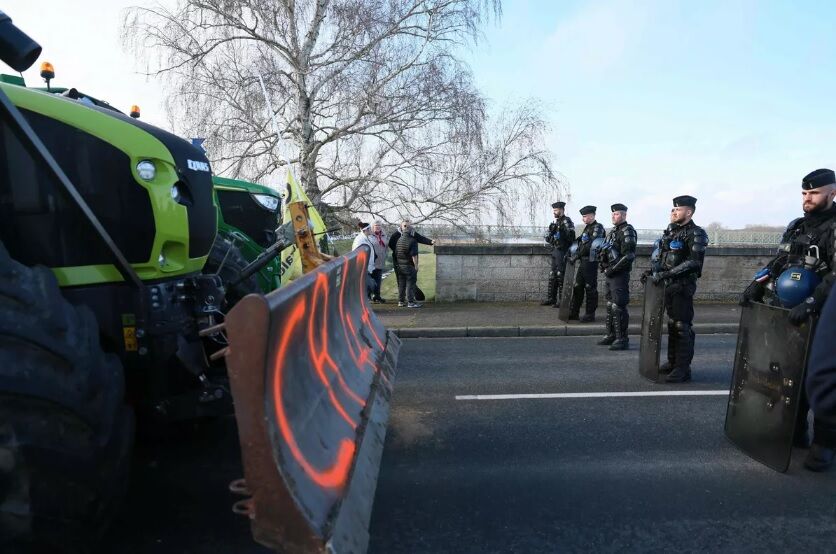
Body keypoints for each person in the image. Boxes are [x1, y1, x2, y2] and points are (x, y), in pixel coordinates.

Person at [739, 168, 836, 466]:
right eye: (804, 193)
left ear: (832, 193)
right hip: (787, 311)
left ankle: (825, 443)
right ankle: (795, 431)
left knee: (818, 375)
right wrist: (756, 284)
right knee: (789, 371)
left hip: (822, 312)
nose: (807, 198)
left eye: (814, 193)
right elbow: (780, 260)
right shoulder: (796, 226)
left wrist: (810, 302)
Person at [642, 195, 708, 383]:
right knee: (672, 324)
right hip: (668, 286)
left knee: (682, 326)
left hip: (683, 286)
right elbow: (664, 260)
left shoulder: (697, 233)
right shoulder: (671, 233)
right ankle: (672, 362)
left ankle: (683, 368)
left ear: (689, 212)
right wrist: (651, 272)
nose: (673, 212)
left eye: (677, 209)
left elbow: (694, 262)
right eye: (672, 209)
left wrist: (667, 275)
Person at [597, 203, 637, 350]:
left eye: (617, 214)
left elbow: (629, 256)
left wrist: (612, 269)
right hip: (610, 273)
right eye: (613, 214)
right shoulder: (613, 232)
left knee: (618, 306)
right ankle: (611, 335)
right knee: (609, 305)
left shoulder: (628, 231)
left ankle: (622, 339)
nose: (614, 216)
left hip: (619, 274)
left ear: (624, 215)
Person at [568, 205, 605, 322]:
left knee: (590, 288)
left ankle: (590, 314)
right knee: (577, 287)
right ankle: (574, 312)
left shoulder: (597, 228)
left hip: (591, 262)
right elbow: (579, 242)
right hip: (583, 262)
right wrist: (570, 252)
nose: (583, 219)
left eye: (584, 216)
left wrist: (576, 256)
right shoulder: (587, 228)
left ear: (592, 215)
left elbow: (590, 246)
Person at [389, 220, 434, 303]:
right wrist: (401, 253)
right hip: (399, 262)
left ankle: (403, 300)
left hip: (408, 262)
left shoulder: (413, 234)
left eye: (408, 226)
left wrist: (430, 242)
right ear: (401, 226)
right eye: (405, 226)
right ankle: (409, 301)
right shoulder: (396, 235)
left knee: (407, 281)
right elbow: (391, 245)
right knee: (405, 281)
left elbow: (421, 238)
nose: (407, 227)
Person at [542, 201, 575, 307]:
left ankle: (562, 301)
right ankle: (551, 298)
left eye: (556, 210)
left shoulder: (566, 221)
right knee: (553, 274)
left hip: (563, 251)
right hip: (555, 251)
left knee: (561, 275)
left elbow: (571, 238)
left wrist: (562, 234)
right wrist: (549, 236)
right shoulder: (556, 223)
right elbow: (553, 240)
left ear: (561, 210)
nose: (554, 212)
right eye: (554, 210)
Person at [394, 222, 422, 308]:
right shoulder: (413, 241)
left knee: (402, 284)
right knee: (410, 283)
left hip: (400, 266)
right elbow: (414, 255)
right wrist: (416, 266)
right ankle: (411, 302)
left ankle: (401, 301)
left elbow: (396, 252)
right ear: (411, 231)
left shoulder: (399, 239)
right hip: (409, 266)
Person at [352, 221, 377, 298]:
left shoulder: (366, 237)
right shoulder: (360, 240)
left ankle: (365, 300)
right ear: (366, 230)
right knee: (369, 285)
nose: (371, 230)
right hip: (362, 267)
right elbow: (356, 253)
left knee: (369, 286)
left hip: (367, 266)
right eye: (370, 229)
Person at [370, 221, 388, 303]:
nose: (377, 227)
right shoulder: (369, 236)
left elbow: (386, 246)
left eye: (379, 225)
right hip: (371, 263)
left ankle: (377, 296)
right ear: (373, 227)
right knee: (370, 281)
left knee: (378, 280)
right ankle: (368, 297)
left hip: (380, 261)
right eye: (376, 225)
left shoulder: (384, 235)